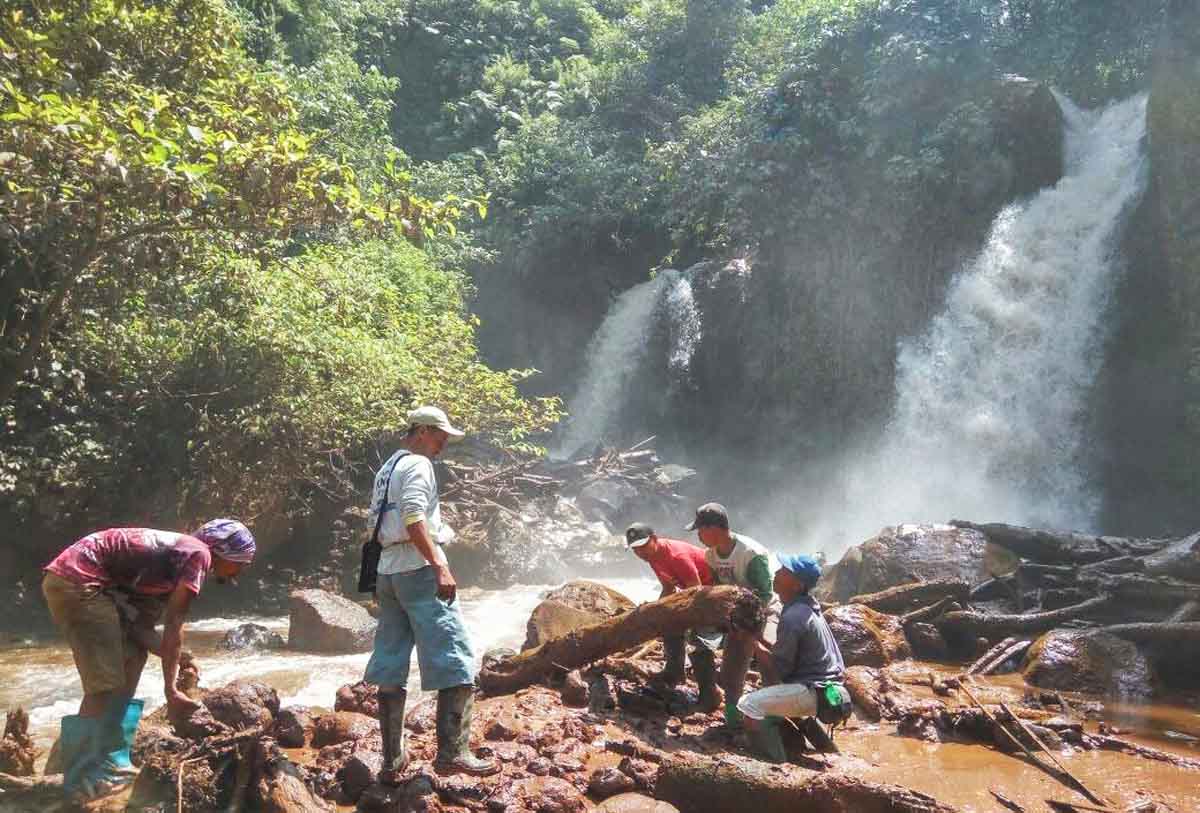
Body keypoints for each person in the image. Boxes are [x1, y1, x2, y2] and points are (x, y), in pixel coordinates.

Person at [42, 519, 256, 799]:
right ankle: (78, 777)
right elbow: (174, 622)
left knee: (134, 657)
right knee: (103, 685)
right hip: (79, 580)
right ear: (225, 552)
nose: (240, 572)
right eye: (241, 563)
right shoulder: (198, 554)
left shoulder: (170, 562)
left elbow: (141, 631)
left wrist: (182, 659)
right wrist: (172, 690)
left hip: (86, 581)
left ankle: (112, 759)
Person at [363, 405, 498, 782]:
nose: (443, 445)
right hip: (417, 569)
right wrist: (439, 563)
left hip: (387, 571)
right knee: (454, 654)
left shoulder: (387, 468)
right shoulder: (419, 465)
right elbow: (413, 517)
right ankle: (454, 753)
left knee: (391, 662)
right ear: (421, 431)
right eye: (440, 436)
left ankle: (392, 763)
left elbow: (377, 521)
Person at [736, 554, 845, 763]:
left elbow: (780, 669)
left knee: (749, 705)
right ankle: (830, 752)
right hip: (830, 692)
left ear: (797, 585)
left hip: (816, 691)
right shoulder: (806, 608)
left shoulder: (793, 616)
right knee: (782, 699)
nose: (776, 573)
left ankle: (776, 766)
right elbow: (784, 654)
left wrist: (751, 642)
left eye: (784, 572)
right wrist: (759, 639)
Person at [687, 502, 781, 727]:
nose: (698, 536)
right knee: (731, 667)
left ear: (715, 529)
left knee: (770, 657)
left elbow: (766, 594)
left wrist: (748, 629)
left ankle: (778, 714)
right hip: (738, 614)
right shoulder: (711, 555)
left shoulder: (749, 553)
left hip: (766, 610)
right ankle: (734, 715)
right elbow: (719, 587)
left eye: (701, 530)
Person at [624, 523, 721, 709]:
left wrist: (682, 618)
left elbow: (696, 591)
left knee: (698, 641)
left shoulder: (677, 556)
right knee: (667, 623)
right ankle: (674, 672)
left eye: (643, 546)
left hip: (712, 594)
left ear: (654, 539)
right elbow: (668, 587)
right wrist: (656, 610)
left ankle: (709, 695)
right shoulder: (652, 557)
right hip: (695, 594)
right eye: (635, 549)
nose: (640, 553)